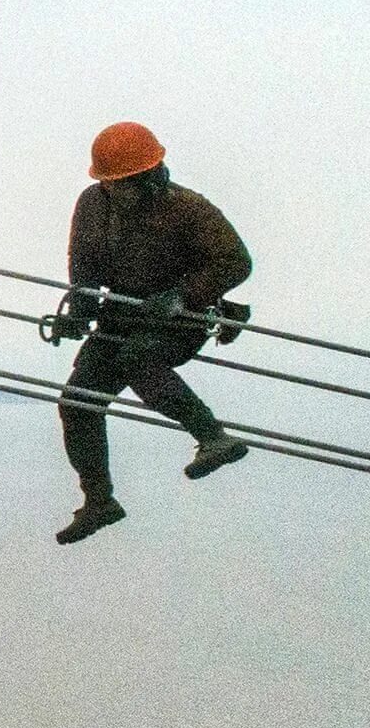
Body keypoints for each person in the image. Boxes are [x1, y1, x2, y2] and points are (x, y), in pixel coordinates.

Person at [45, 122, 253, 544]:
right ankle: (99, 501)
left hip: (179, 320)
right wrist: (79, 313)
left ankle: (213, 438)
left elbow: (235, 261)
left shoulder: (187, 208)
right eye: (112, 184)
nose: (118, 192)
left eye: (127, 183)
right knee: (77, 403)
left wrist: (181, 296)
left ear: (150, 176)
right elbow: (84, 268)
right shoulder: (93, 204)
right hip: (121, 316)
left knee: (137, 359)